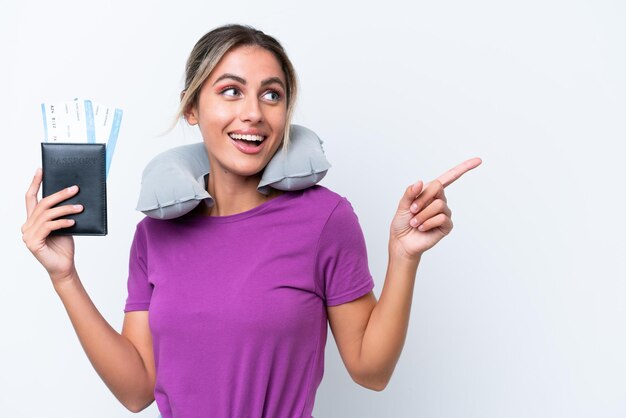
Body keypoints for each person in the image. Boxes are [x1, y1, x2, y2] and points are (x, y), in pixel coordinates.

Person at [22, 24, 481, 417]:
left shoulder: (325, 219)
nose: (253, 113)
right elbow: (137, 389)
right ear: (191, 108)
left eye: (272, 95)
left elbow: (372, 370)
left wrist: (402, 257)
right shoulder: (154, 235)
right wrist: (64, 276)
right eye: (230, 91)